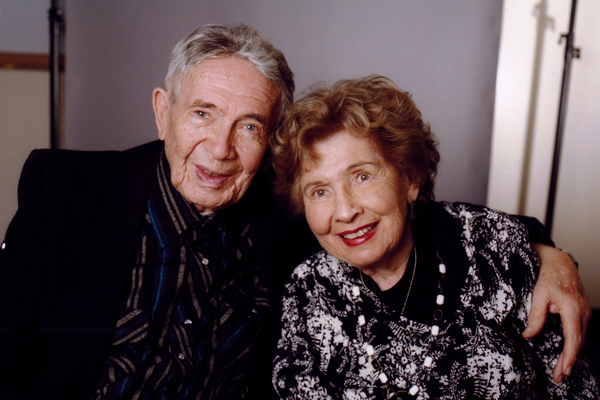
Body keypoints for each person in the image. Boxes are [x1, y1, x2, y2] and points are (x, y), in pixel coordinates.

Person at [0, 24, 589, 400]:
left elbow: (440, 222)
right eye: (202, 114)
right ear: (162, 111)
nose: (220, 149)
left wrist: (550, 256)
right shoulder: (65, 192)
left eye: (249, 126)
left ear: (272, 141)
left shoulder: (297, 213)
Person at [270, 76, 598, 398]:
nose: (344, 211)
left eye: (362, 176)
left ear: (411, 179)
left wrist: (549, 256)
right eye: (319, 191)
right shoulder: (307, 291)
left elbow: (574, 390)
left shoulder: (493, 248)